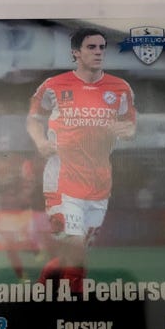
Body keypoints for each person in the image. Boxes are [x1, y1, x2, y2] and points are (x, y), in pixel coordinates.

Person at [26, 28, 137, 293]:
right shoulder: (54, 85)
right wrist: (40, 141)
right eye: (91, 47)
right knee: (75, 247)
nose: (98, 52)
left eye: (102, 47)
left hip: (99, 183)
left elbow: (130, 124)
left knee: (74, 252)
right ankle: (74, 303)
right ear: (76, 52)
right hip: (62, 180)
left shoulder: (120, 88)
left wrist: (127, 131)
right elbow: (33, 119)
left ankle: (40, 292)